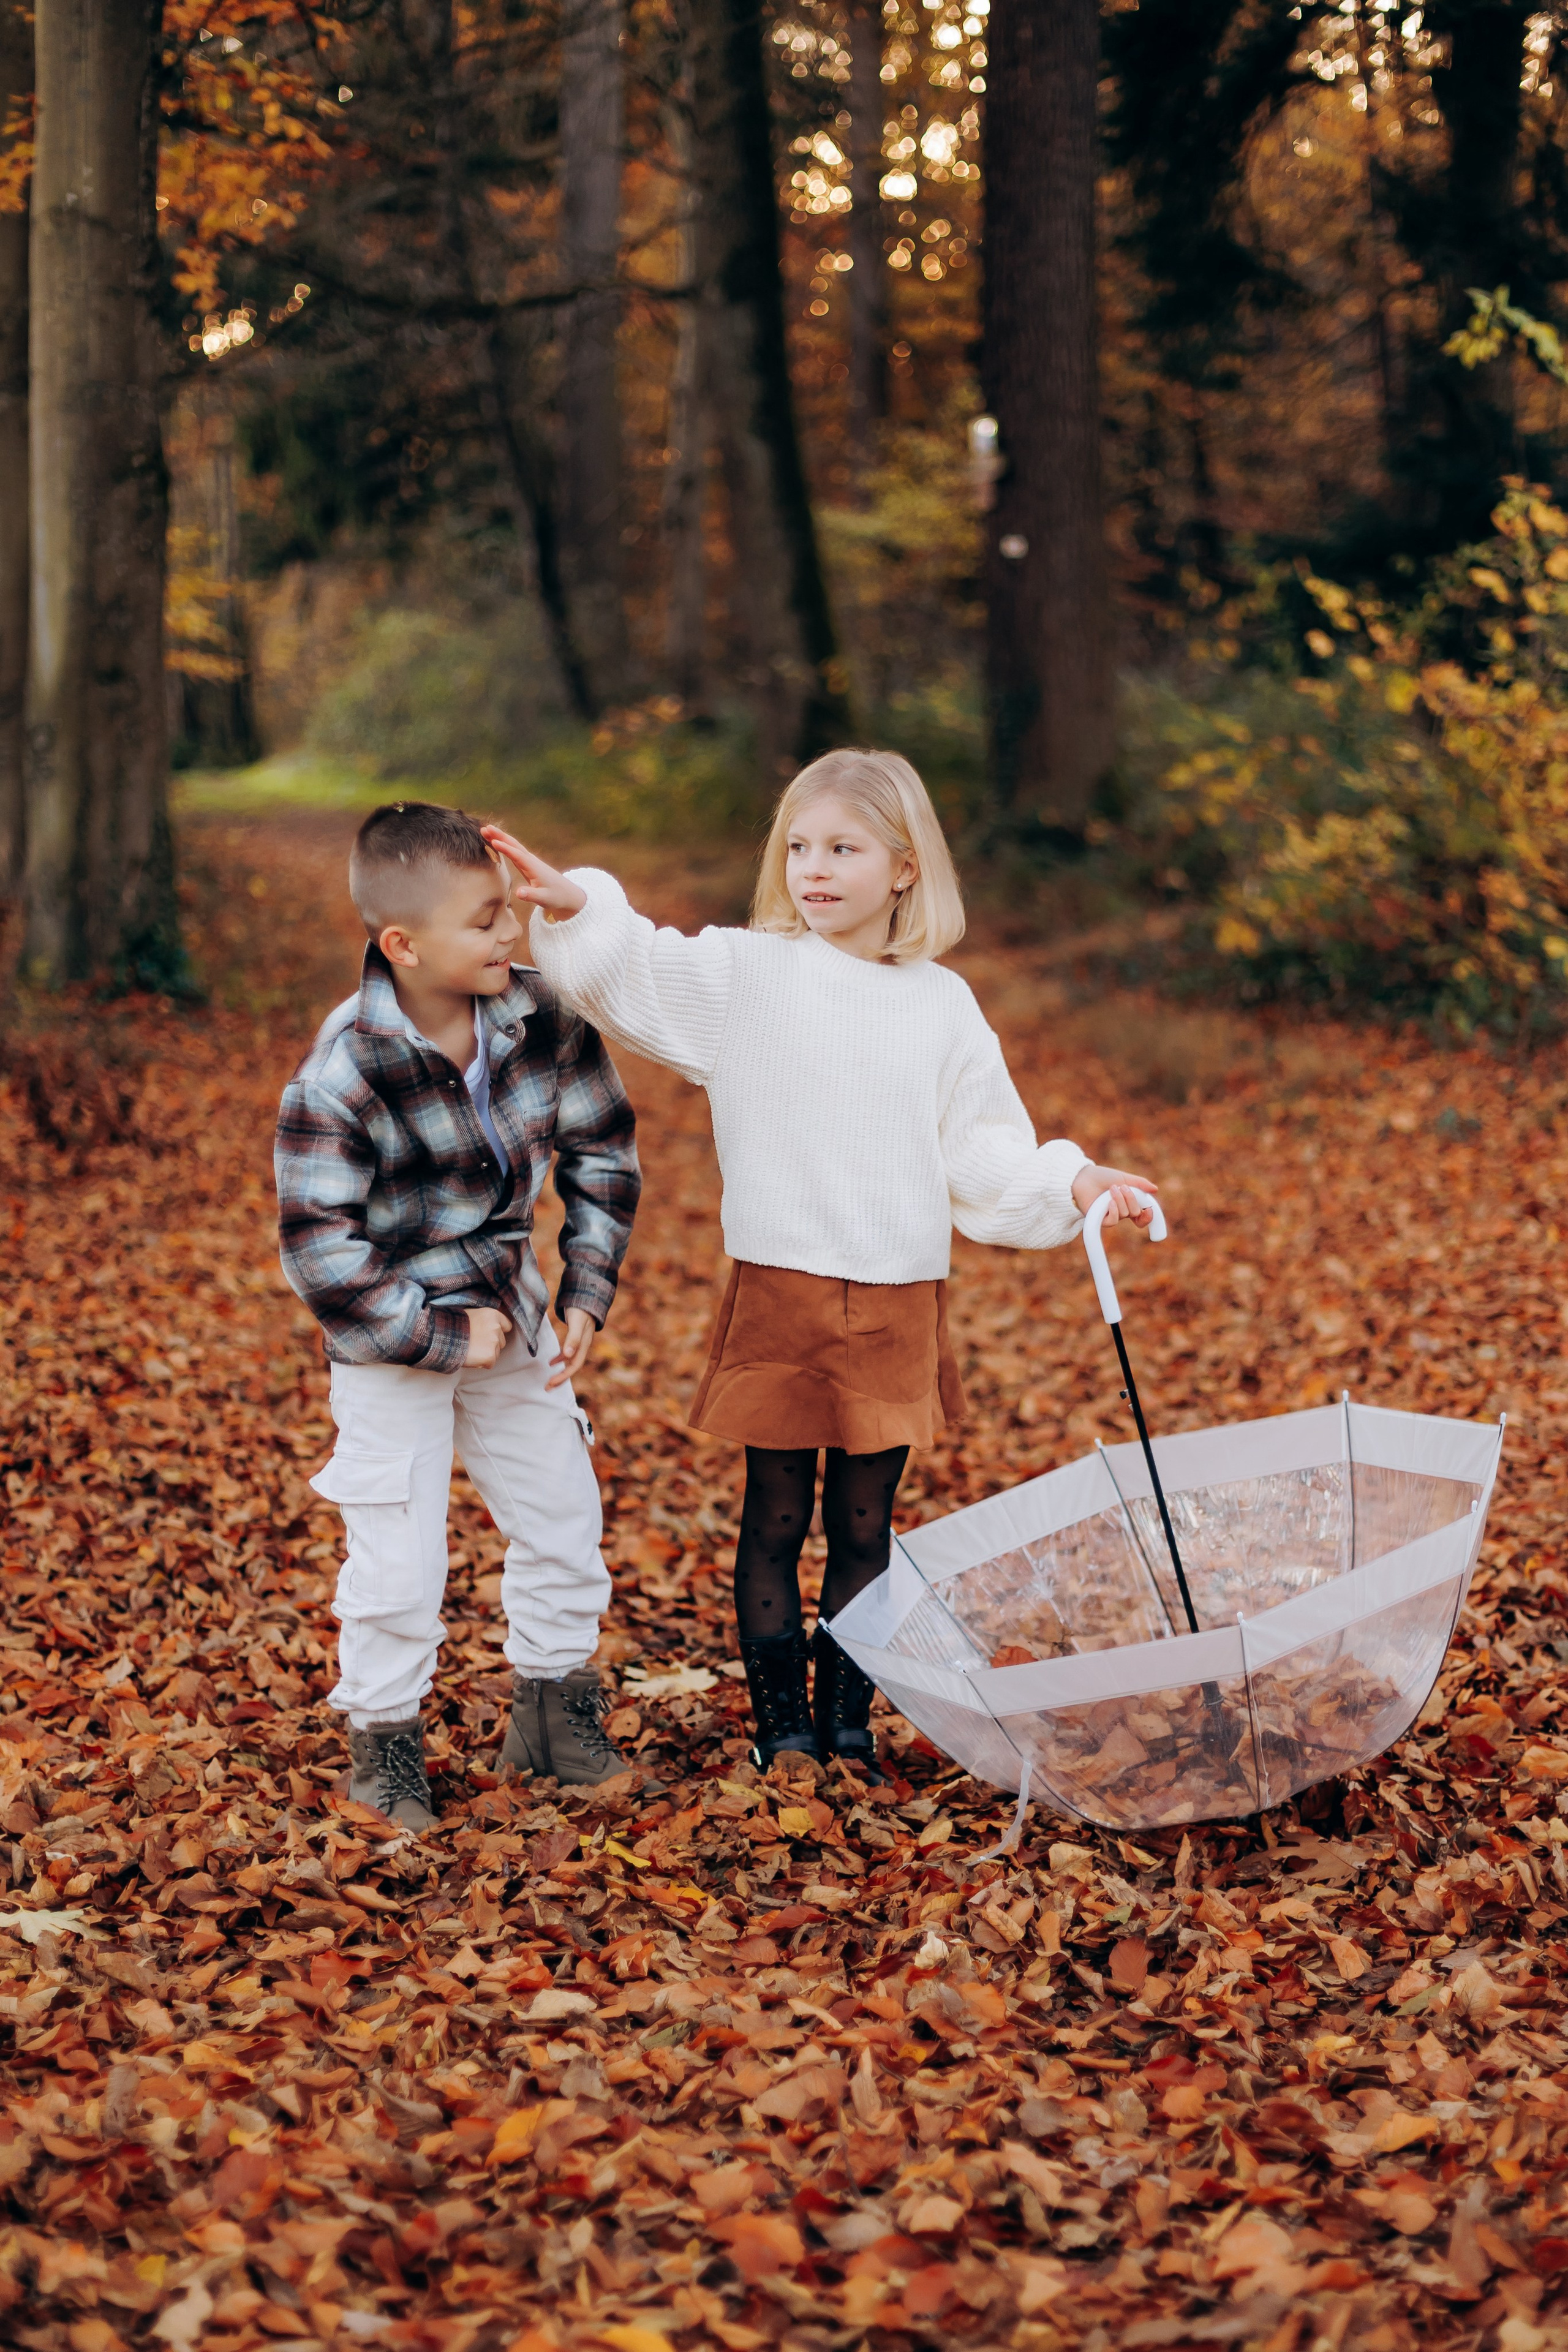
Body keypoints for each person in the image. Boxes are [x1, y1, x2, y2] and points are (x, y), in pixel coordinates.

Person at [481, 750, 1159, 1782]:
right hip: (782, 1291)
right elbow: (637, 969)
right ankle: (782, 1728)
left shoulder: (942, 1004)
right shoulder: (752, 974)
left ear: (904, 868)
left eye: (844, 848)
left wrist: (1071, 1181)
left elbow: (980, 1147)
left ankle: (847, 1724)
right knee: (776, 1516)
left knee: (863, 1525)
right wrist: (579, 907)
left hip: (896, 1298)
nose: (815, 868)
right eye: (799, 847)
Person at [274, 802, 644, 1829]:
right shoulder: (342, 1072)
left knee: (564, 1517)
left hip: (515, 1314)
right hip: (393, 1341)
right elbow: (318, 1251)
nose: (511, 934)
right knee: (399, 1560)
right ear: (404, 945)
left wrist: (585, 1286)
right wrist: (439, 1334)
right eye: (486, 920)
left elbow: (604, 1149)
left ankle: (554, 1719)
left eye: (507, 912)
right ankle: (385, 1751)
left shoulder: (544, 1017)